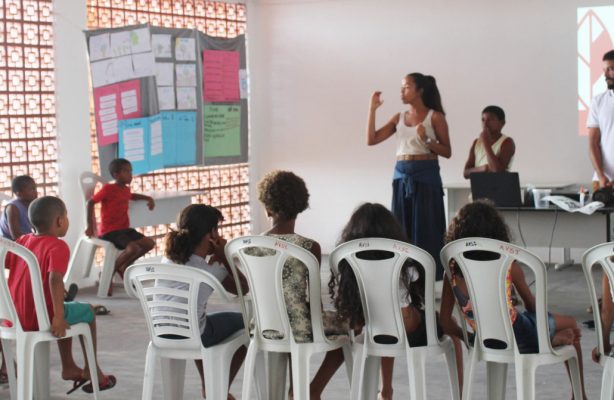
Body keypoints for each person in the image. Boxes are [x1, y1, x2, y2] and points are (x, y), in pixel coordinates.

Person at [439, 200, 587, 399]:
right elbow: (532, 305)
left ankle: (547, 338)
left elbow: (445, 322)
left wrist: (470, 339)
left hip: (485, 337)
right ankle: (579, 393)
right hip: (519, 331)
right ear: (498, 234)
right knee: (569, 323)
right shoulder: (510, 267)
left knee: (524, 325)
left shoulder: (452, 275)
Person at [330, 202, 462, 400]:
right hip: (411, 332)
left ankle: (387, 391)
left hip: (376, 331)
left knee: (387, 323)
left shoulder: (351, 266)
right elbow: (416, 289)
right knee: (448, 327)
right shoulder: (406, 263)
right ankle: (460, 391)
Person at [252, 170, 348, 400]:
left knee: (290, 323)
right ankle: (310, 390)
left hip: (263, 324)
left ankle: (297, 390)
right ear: (301, 207)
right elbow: (313, 297)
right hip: (300, 325)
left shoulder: (251, 246)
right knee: (348, 330)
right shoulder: (310, 247)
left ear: (267, 208)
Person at [7, 196, 115, 394]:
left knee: (66, 308)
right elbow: (54, 280)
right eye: (66, 216)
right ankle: (92, 370)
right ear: (60, 221)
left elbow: (13, 265)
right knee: (88, 312)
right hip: (39, 318)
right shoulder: (57, 246)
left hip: (13, 316)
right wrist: (57, 317)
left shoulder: (22, 240)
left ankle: (69, 366)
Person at [367, 72, 451, 279]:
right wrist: (372, 109)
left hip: (427, 176)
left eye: (406, 87)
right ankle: (404, 273)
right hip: (401, 175)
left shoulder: (436, 117)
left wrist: (427, 140)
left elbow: (447, 151)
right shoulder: (399, 117)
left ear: (419, 90)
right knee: (400, 227)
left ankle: (427, 275)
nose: (402, 91)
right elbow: (372, 139)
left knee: (427, 226)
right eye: (401, 87)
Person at [160, 204, 248, 400]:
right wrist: (225, 256)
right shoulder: (211, 269)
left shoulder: (168, 259)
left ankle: (209, 387)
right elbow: (244, 288)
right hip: (193, 334)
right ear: (211, 234)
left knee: (200, 320)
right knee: (247, 326)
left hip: (162, 332)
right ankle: (216, 392)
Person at [85, 158, 155, 295]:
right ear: (116, 175)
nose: (130, 175)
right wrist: (89, 226)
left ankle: (124, 265)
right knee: (133, 248)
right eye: (126, 171)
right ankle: (108, 275)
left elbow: (132, 196)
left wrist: (148, 198)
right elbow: (90, 203)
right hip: (110, 231)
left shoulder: (125, 190)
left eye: (131, 171)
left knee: (149, 243)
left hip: (124, 230)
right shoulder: (108, 189)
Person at [462, 105, 515, 179]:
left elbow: (496, 171)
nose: (485, 124)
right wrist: (484, 168)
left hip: (499, 189)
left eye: (490, 120)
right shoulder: (476, 143)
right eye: (483, 120)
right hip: (478, 188)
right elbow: (466, 173)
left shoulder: (507, 142)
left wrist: (486, 143)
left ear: (502, 123)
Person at [0, 175, 37, 240]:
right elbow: (16, 236)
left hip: (25, 241)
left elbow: (37, 228)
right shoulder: (13, 208)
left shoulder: (31, 205)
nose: (35, 192)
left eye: (35, 188)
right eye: (32, 189)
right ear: (19, 194)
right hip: (11, 245)